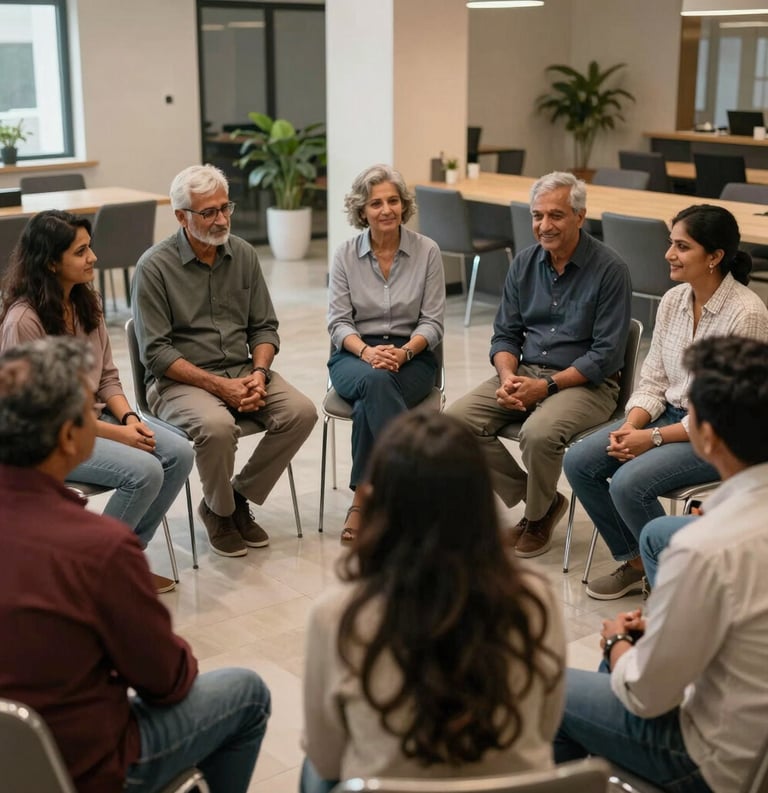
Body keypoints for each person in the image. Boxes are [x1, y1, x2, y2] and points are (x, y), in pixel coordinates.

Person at [0, 336, 271, 793]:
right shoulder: (99, 548)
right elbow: (166, 681)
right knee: (246, 693)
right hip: (85, 767)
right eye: (89, 411)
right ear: (69, 436)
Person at [301, 411, 566, 793]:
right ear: (479, 502)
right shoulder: (535, 598)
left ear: (378, 504)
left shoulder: (337, 614)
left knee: (313, 770)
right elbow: (546, 728)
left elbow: (327, 758)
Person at [554, 335, 768, 793]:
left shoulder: (702, 548)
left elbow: (648, 696)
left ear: (706, 437)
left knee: (548, 693)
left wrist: (617, 643)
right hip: (754, 740)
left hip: (717, 761)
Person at [564, 204, 768, 600]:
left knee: (628, 483)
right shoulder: (675, 299)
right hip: (668, 417)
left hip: (718, 434)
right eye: (670, 243)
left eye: (681, 246)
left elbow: (727, 412)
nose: (668, 255)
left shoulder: (746, 314)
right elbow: (654, 377)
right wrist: (633, 425)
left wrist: (653, 438)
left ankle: (682, 587)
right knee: (579, 461)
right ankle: (639, 559)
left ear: (714, 257)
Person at [0, 209, 194, 594]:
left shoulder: (87, 302)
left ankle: (120, 566)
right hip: (50, 436)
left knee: (180, 452)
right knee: (145, 471)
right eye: (81, 251)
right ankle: (95, 570)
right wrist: (120, 435)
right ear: (51, 262)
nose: (93, 258)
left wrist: (128, 419)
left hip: (98, 418)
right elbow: (41, 413)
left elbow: (107, 375)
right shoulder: (23, 321)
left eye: (90, 248)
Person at [132, 164, 317, 557]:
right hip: (178, 382)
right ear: (181, 216)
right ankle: (219, 512)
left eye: (224, 208)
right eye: (208, 212)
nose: (221, 220)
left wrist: (259, 374)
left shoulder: (244, 254)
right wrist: (221, 388)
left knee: (301, 412)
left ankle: (235, 496)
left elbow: (264, 327)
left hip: (243, 370)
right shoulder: (154, 267)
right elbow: (157, 352)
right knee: (216, 427)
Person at [447, 171, 632, 558]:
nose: (544, 226)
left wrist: (545, 388)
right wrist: (509, 375)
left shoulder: (610, 269)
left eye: (556, 216)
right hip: (527, 371)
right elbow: (505, 334)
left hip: (590, 383)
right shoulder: (524, 264)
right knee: (456, 421)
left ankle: (534, 517)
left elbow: (605, 354)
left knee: (538, 434)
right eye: (537, 216)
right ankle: (544, 503)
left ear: (580, 216)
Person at [328, 164, 445, 541]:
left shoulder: (427, 252)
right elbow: (338, 323)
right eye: (376, 203)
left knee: (369, 403)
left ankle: (363, 500)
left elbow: (433, 322)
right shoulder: (345, 255)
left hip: (413, 359)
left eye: (393, 201)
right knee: (375, 380)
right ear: (362, 211)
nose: (386, 210)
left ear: (403, 205)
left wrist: (405, 352)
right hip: (352, 358)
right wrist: (367, 353)